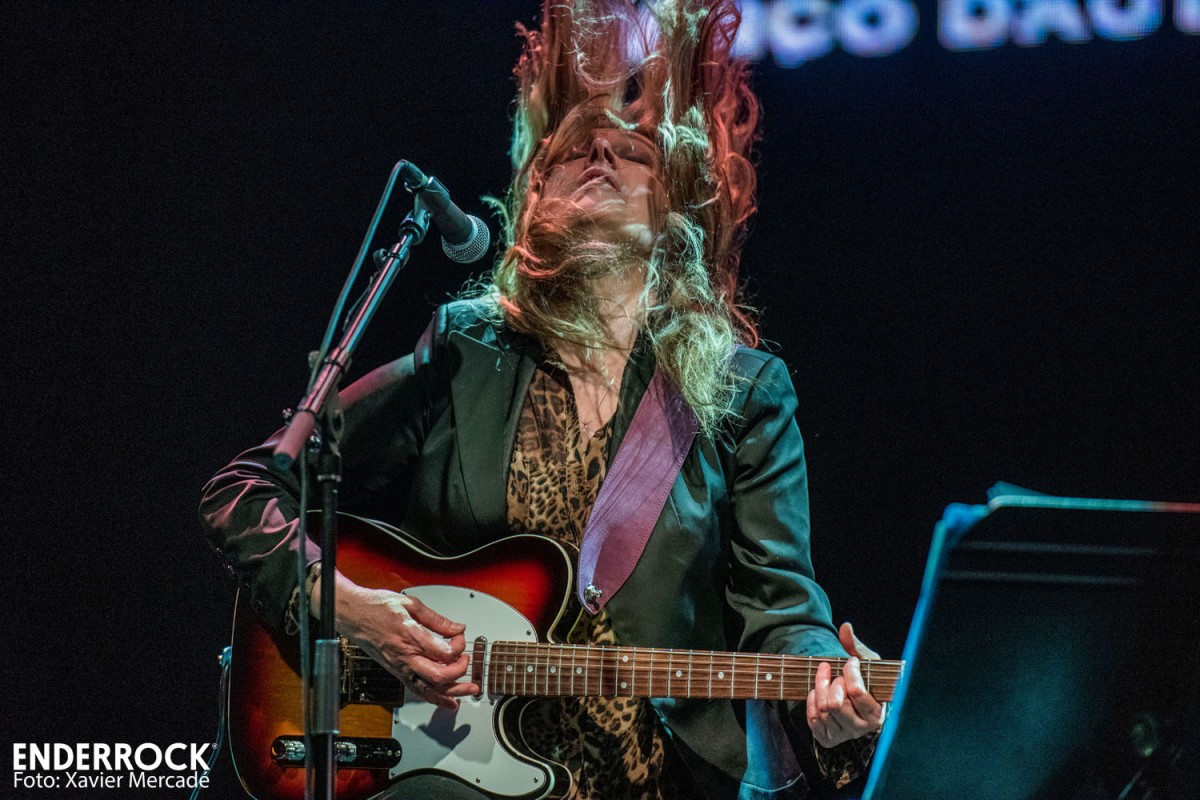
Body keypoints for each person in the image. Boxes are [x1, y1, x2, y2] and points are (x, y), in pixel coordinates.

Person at [200, 1, 885, 798]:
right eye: (572, 149)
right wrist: (349, 609)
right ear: (535, 196)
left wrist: (831, 694)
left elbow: (783, 612)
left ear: (672, 211)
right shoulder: (463, 351)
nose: (600, 153)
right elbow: (242, 493)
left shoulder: (742, 392)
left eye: (632, 150)